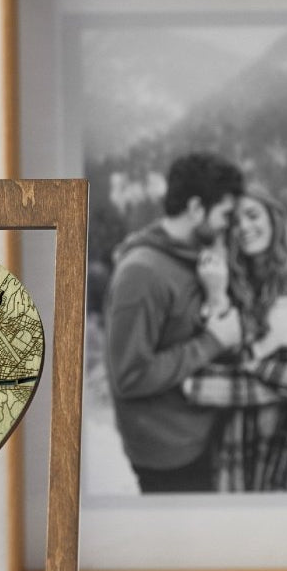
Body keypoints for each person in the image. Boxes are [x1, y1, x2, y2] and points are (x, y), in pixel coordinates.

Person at [105, 153, 244, 493]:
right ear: (196, 208)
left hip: (200, 431)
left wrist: (217, 295)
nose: (228, 225)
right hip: (170, 455)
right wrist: (212, 340)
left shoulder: (193, 256)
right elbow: (129, 376)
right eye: (225, 214)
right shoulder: (141, 274)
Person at [184, 185, 287, 491]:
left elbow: (200, 385)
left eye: (253, 215)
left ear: (274, 219)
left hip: (286, 432)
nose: (244, 227)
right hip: (237, 432)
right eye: (235, 221)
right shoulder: (225, 281)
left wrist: (238, 369)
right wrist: (217, 296)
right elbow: (207, 360)